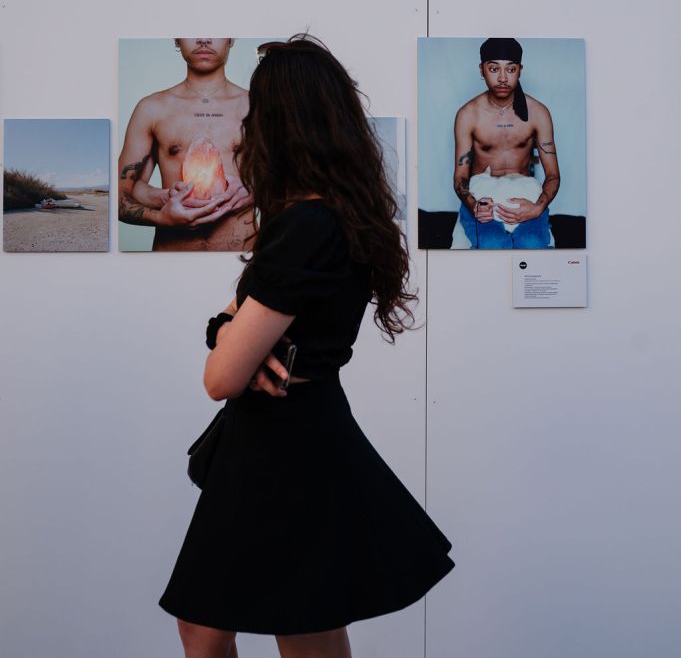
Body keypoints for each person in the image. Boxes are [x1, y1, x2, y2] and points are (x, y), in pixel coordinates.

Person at [159, 35, 455, 658]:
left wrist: (228, 336)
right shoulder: (333, 216)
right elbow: (234, 335)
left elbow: (220, 378)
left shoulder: (304, 225)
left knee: (288, 625)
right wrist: (226, 333)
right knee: (252, 622)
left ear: (280, 121)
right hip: (292, 437)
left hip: (281, 448)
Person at [118, 38, 255, 251]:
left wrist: (255, 189)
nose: (204, 39)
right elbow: (120, 194)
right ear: (176, 39)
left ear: (232, 38)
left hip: (242, 262)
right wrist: (162, 207)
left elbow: (294, 187)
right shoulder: (152, 108)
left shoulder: (258, 106)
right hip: (170, 263)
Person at [452, 37, 560, 249]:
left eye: (510, 70)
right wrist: (475, 206)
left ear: (520, 70)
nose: (502, 78)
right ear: (482, 70)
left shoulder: (538, 113)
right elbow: (460, 176)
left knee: (532, 244)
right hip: (481, 195)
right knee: (492, 244)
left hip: (526, 195)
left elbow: (553, 175)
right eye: (494, 69)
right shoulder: (468, 114)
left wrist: (538, 207)